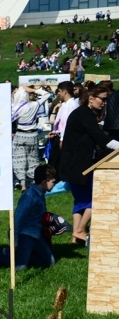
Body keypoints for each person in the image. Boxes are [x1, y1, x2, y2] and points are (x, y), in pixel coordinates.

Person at [60, 86, 119, 244]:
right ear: (91, 98)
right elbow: (101, 139)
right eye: (103, 99)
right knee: (95, 198)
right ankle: (80, 230)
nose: (105, 103)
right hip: (78, 164)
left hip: (72, 164)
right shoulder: (85, 114)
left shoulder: (83, 113)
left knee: (80, 201)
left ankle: (75, 236)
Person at [0, 165, 58, 270]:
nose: (54, 184)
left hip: (37, 234)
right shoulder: (30, 195)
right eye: (53, 182)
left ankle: (16, 254)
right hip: (25, 235)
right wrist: (15, 242)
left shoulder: (41, 193)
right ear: (45, 182)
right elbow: (16, 219)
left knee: (50, 262)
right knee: (20, 267)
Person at [12, 86, 51, 190]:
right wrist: (34, 90)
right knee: (33, 159)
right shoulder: (34, 105)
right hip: (32, 135)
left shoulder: (15, 108)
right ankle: (33, 182)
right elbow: (47, 95)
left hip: (20, 134)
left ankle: (23, 184)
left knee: (19, 159)